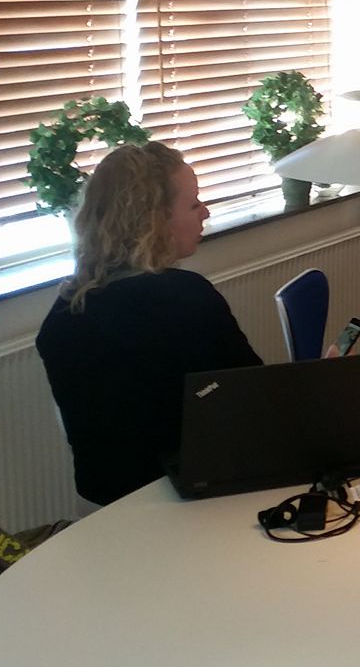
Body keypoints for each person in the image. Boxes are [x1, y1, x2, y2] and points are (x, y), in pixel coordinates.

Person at [37, 142, 261, 507]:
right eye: (194, 204)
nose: (206, 212)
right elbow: (254, 401)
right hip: (183, 503)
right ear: (155, 220)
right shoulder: (185, 298)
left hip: (101, 507)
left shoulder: (64, 310)